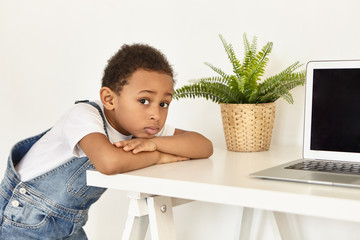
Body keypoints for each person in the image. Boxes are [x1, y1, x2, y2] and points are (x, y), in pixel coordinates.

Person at [0, 44, 213, 239]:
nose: (155, 114)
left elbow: (204, 145)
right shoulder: (84, 115)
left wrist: (156, 143)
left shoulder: (143, 128)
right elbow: (108, 162)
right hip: (23, 218)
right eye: (144, 101)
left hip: (67, 225)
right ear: (109, 99)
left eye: (164, 104)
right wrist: (159, 156)